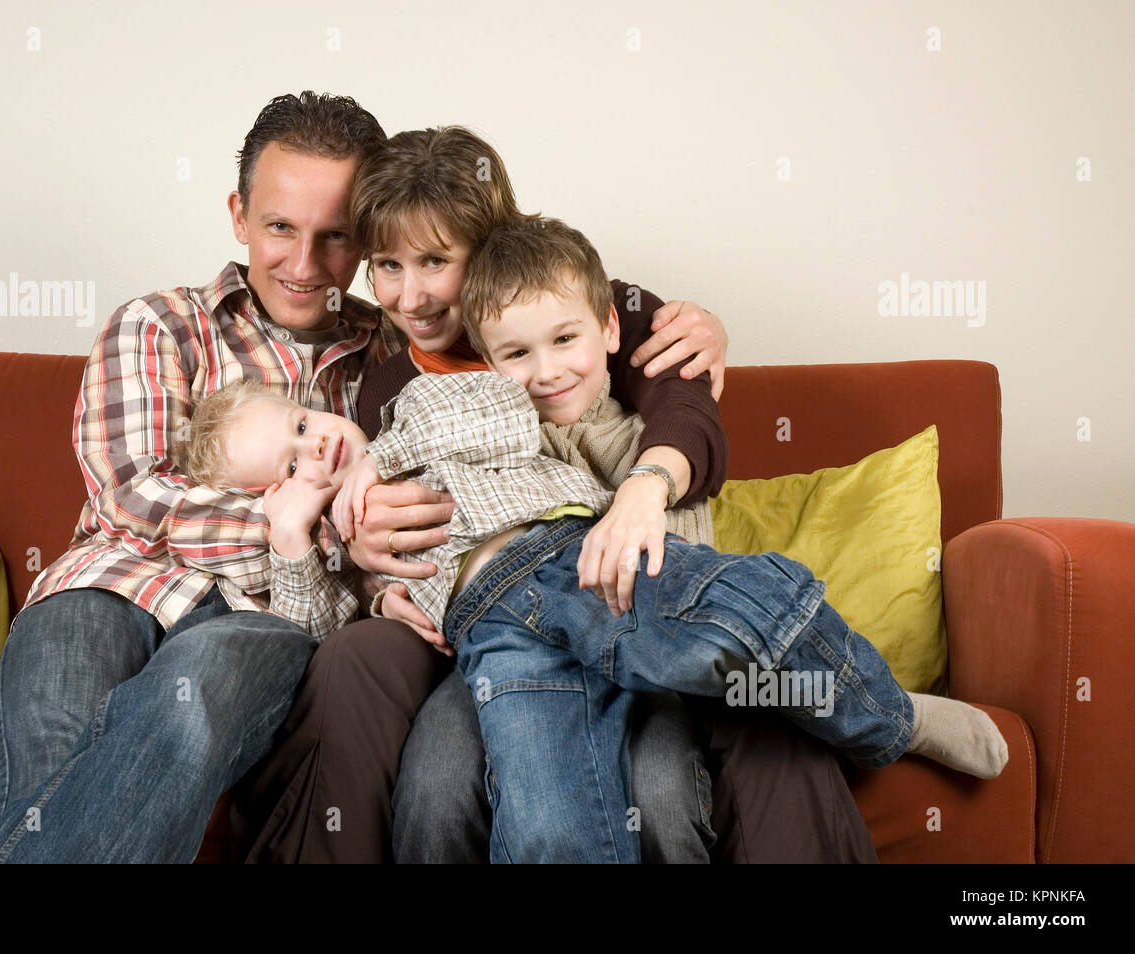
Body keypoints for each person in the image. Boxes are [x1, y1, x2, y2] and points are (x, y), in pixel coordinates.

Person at [0, 92, 718, 863]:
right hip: (115, 582)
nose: (306, 264)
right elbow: (133, 492)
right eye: (281, 227)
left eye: (336, 239)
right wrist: (328, 536)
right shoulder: (161, 324)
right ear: (238, 214)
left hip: (259, 616)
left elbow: (573, 324)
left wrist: (678, 327)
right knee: (45, 732)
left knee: (196, 694)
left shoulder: (399, 346)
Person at [182, 220, 1008, 863]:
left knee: (743, 619)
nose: (315, 448)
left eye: (301, 424)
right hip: (488, 635)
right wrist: (301, 538)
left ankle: (888, 718)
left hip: (565, 563)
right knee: (550, 826)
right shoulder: (332, 523)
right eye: (288, 465)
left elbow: (505, 405)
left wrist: (381, 459)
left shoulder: (415, 408)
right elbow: (321, 631)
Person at [255, 126, 879, 865]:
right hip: (501, 631)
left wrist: (644, 489)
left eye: (435, 263)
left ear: (487, 249)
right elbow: (380, 524)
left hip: (635, 593)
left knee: (678, 773)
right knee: (438, 779)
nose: (410, 295)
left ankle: (869, 710)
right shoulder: (396, 386)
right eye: (386, 265)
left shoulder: (590, 307)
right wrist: (375, 573)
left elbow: (688, 415)